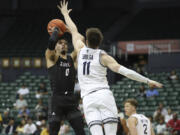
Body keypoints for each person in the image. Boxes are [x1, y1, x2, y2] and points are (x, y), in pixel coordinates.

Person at [58, 1, 162, 135]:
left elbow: (73, 30)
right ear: (99, 42)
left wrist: (65, 14)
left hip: (88, 99)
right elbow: (125, 71)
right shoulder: (103, 56)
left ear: (87, 41)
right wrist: (147, 81)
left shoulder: (80, 49)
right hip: (103, 95)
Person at [46, 2, 85, 135]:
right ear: (56, 47)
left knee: (81, 131)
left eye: (65, 43)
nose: (63, 45)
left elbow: (81, 39)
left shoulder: (72, 58)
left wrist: (70, 30)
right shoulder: (51, 58)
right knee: (53, 132)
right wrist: (56, 29)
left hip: (71, 101)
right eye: (60, 43)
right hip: (56, 100)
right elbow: (51, 42)